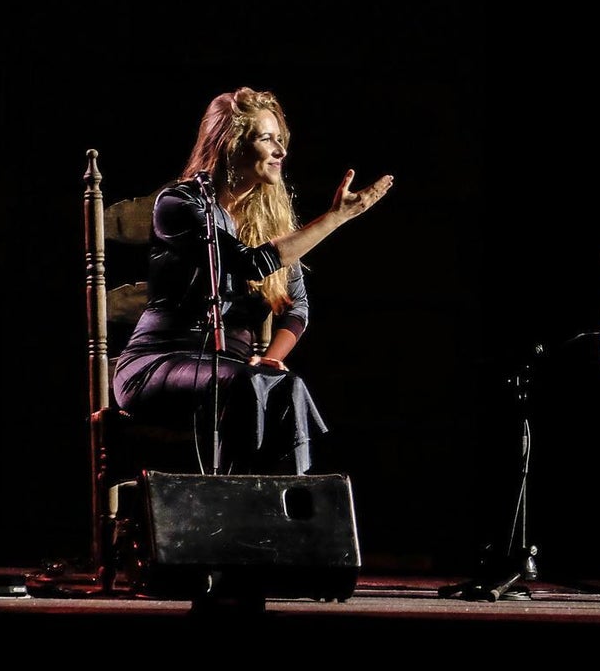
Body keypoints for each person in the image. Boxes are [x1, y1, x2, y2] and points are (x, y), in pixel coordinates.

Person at [113, 86, 394, 476]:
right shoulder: (180, 204)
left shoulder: (270, 220)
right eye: (267, 139)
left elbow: (297, 307)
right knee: (250, 385)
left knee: (286, 384)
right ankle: (236, 513)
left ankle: (280, 518)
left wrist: (273, 356)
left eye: (281, 140)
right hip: (158, 363)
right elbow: (249, 264)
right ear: (231, 145)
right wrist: (336, 217)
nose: (281, 151)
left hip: (236, 372)